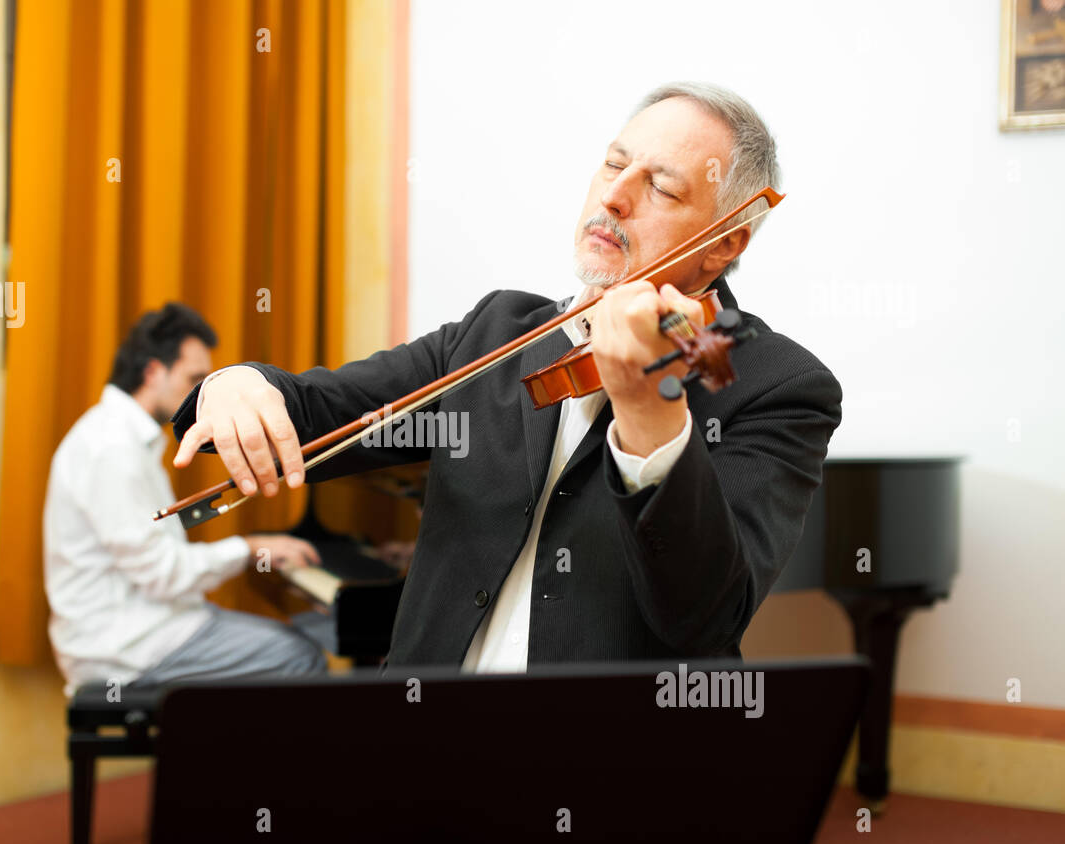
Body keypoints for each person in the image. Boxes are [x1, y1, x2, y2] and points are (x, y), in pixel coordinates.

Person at [170, 82, 842, 672]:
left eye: (661, 188)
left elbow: (704, 616)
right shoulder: (496, 331)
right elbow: (317, 410)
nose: (614, 196)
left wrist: (649, 411)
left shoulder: (777, 387)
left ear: (725, 243)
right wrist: (239, 384)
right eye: (614, 164)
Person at [42, 302, 330, 696]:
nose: (198, 398)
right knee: (298, 656)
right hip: (126, 646)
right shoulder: (110, 448)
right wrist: (250, 548)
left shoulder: (122, 437)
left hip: (150, 624)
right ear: (152, 372)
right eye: (193, 379)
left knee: (285, 645)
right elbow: (162, 573)